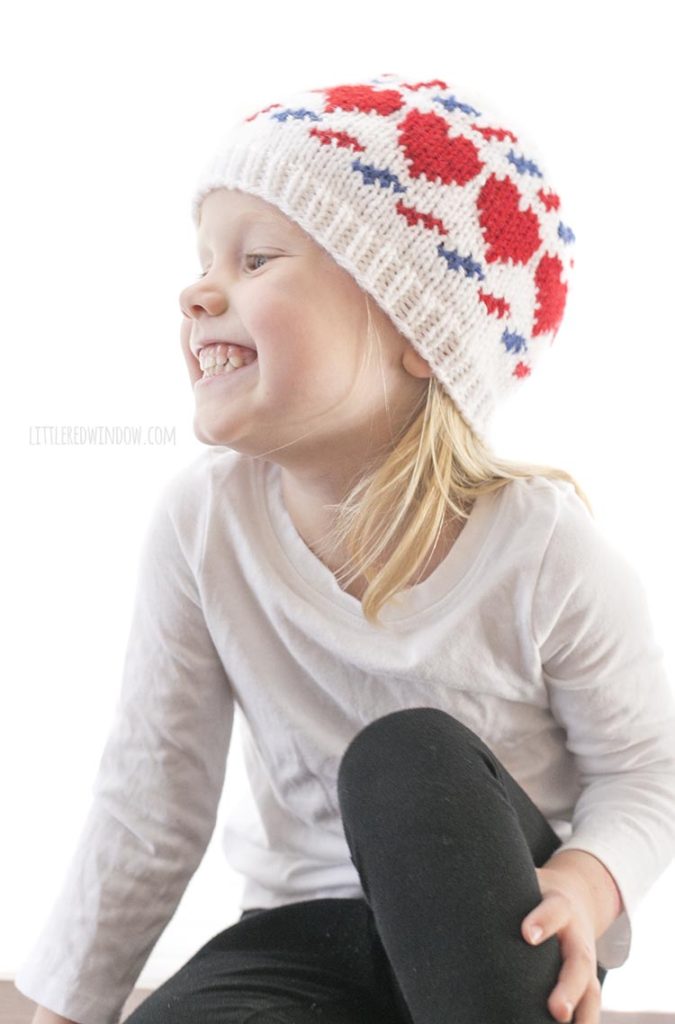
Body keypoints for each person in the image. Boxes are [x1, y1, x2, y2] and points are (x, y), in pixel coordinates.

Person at [16, 72, 675, 1024]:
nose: (198, 289)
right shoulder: (203, 524)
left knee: (404, 758)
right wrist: (66, 1010)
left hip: (487, 932)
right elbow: (150, 797)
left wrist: (582, 879)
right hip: (299, 936)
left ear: (415, 330)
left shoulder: (542, 549)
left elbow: (647, 771)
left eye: (256, 259)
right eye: (205, 258)